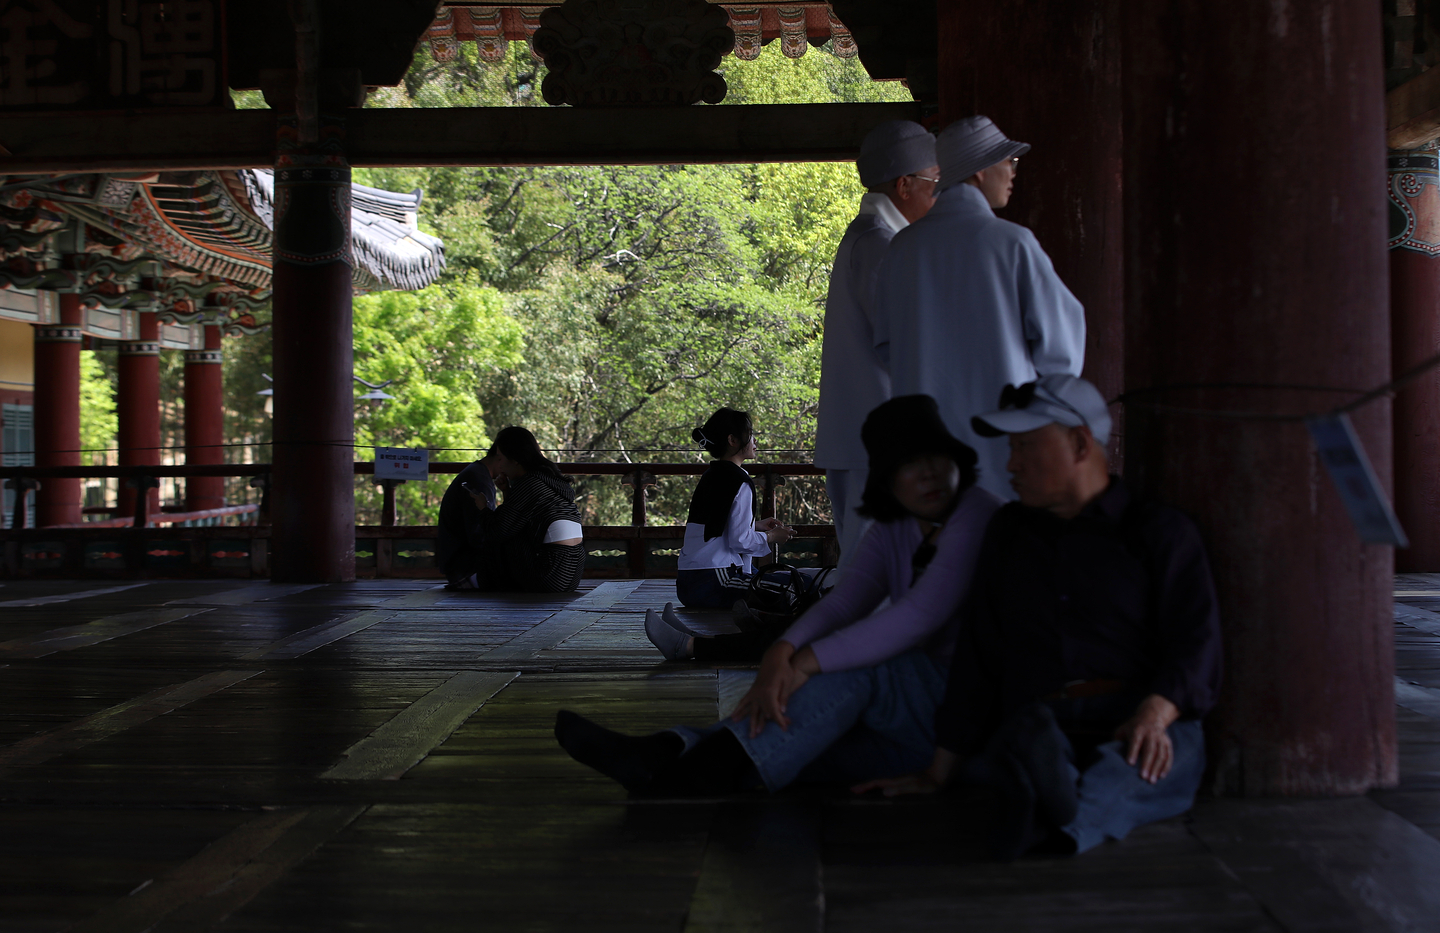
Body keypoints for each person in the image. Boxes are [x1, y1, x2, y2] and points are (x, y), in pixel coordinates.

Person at [858, 374, 1223, 862]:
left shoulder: (1159, 532)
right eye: (1011, 449)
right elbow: (980, 652)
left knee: (1153, 764)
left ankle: (1052, 810)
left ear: (1078, 442)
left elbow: (1197, 642)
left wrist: (1154, 715)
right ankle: (1058, 807)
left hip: (1137, 719)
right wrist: (938, 770)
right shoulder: (1009, 533)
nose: (1011, 466)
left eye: (1025, 447)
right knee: (1020, 744)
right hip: (1042, 720)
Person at [564, 395, 1003, 796]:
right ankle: (669, 751)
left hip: (974, 722)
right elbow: (847, 601)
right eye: (909, 463)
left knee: (865, 665)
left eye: (936, 457)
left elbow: (916, 617)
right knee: (790, 749)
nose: (928, 473)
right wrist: (783, 651)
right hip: (921, 724)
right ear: (887, 477)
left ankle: (674, 770)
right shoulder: (896, 524)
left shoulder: (978, 514)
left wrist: (804, 660)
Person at [876, 115, 1087, 501]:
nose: (1012, 171)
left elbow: (888, 347)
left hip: (926, 445)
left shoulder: (902, 249)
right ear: (978, 171)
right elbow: (1062, 348)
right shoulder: (1011, 243)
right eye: (1007, 161)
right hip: (1004, 442)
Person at [816, 120, 939, 570]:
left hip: (865, 438)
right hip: (878, 441)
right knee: (873, 575)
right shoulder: (880, 244)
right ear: (905, 185)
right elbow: (904, 344)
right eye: (935, 184)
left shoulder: (872, 238)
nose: (938, 196)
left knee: (867, 573)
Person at [437, 426, 586, 593]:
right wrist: (507, 492)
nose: (498, 465)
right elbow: (522, 515)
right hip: (571, 573)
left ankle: (478, 580)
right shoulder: (549, 481)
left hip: (547, 575)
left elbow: (498, 531)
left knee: (502, 539)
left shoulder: (529, 484)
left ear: (515, 459)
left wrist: (483, 508)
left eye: (500, 458)